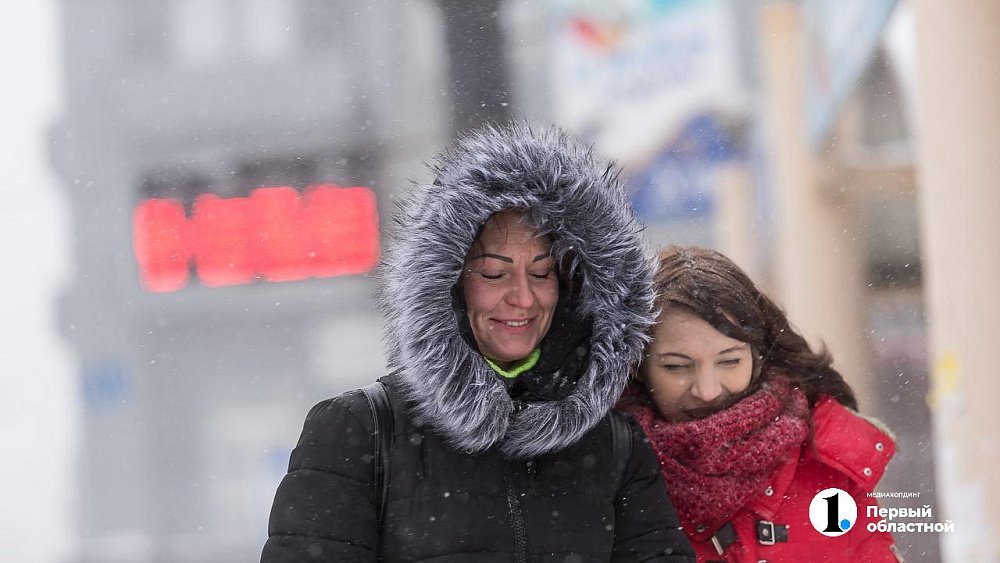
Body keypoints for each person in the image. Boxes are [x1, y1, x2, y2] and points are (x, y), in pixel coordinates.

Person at [261, 123, 695, 562]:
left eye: (541, 273)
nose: (523, 298)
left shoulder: (614, 445)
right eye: (494, 273)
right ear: (449, 284)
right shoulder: (360, 432)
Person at [619, 246, 902, 562]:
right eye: (677, 366)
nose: (707, 390)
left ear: (757, 356)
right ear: (638, 366)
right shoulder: (605, 466)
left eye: (729, 361)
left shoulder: (829, 461)